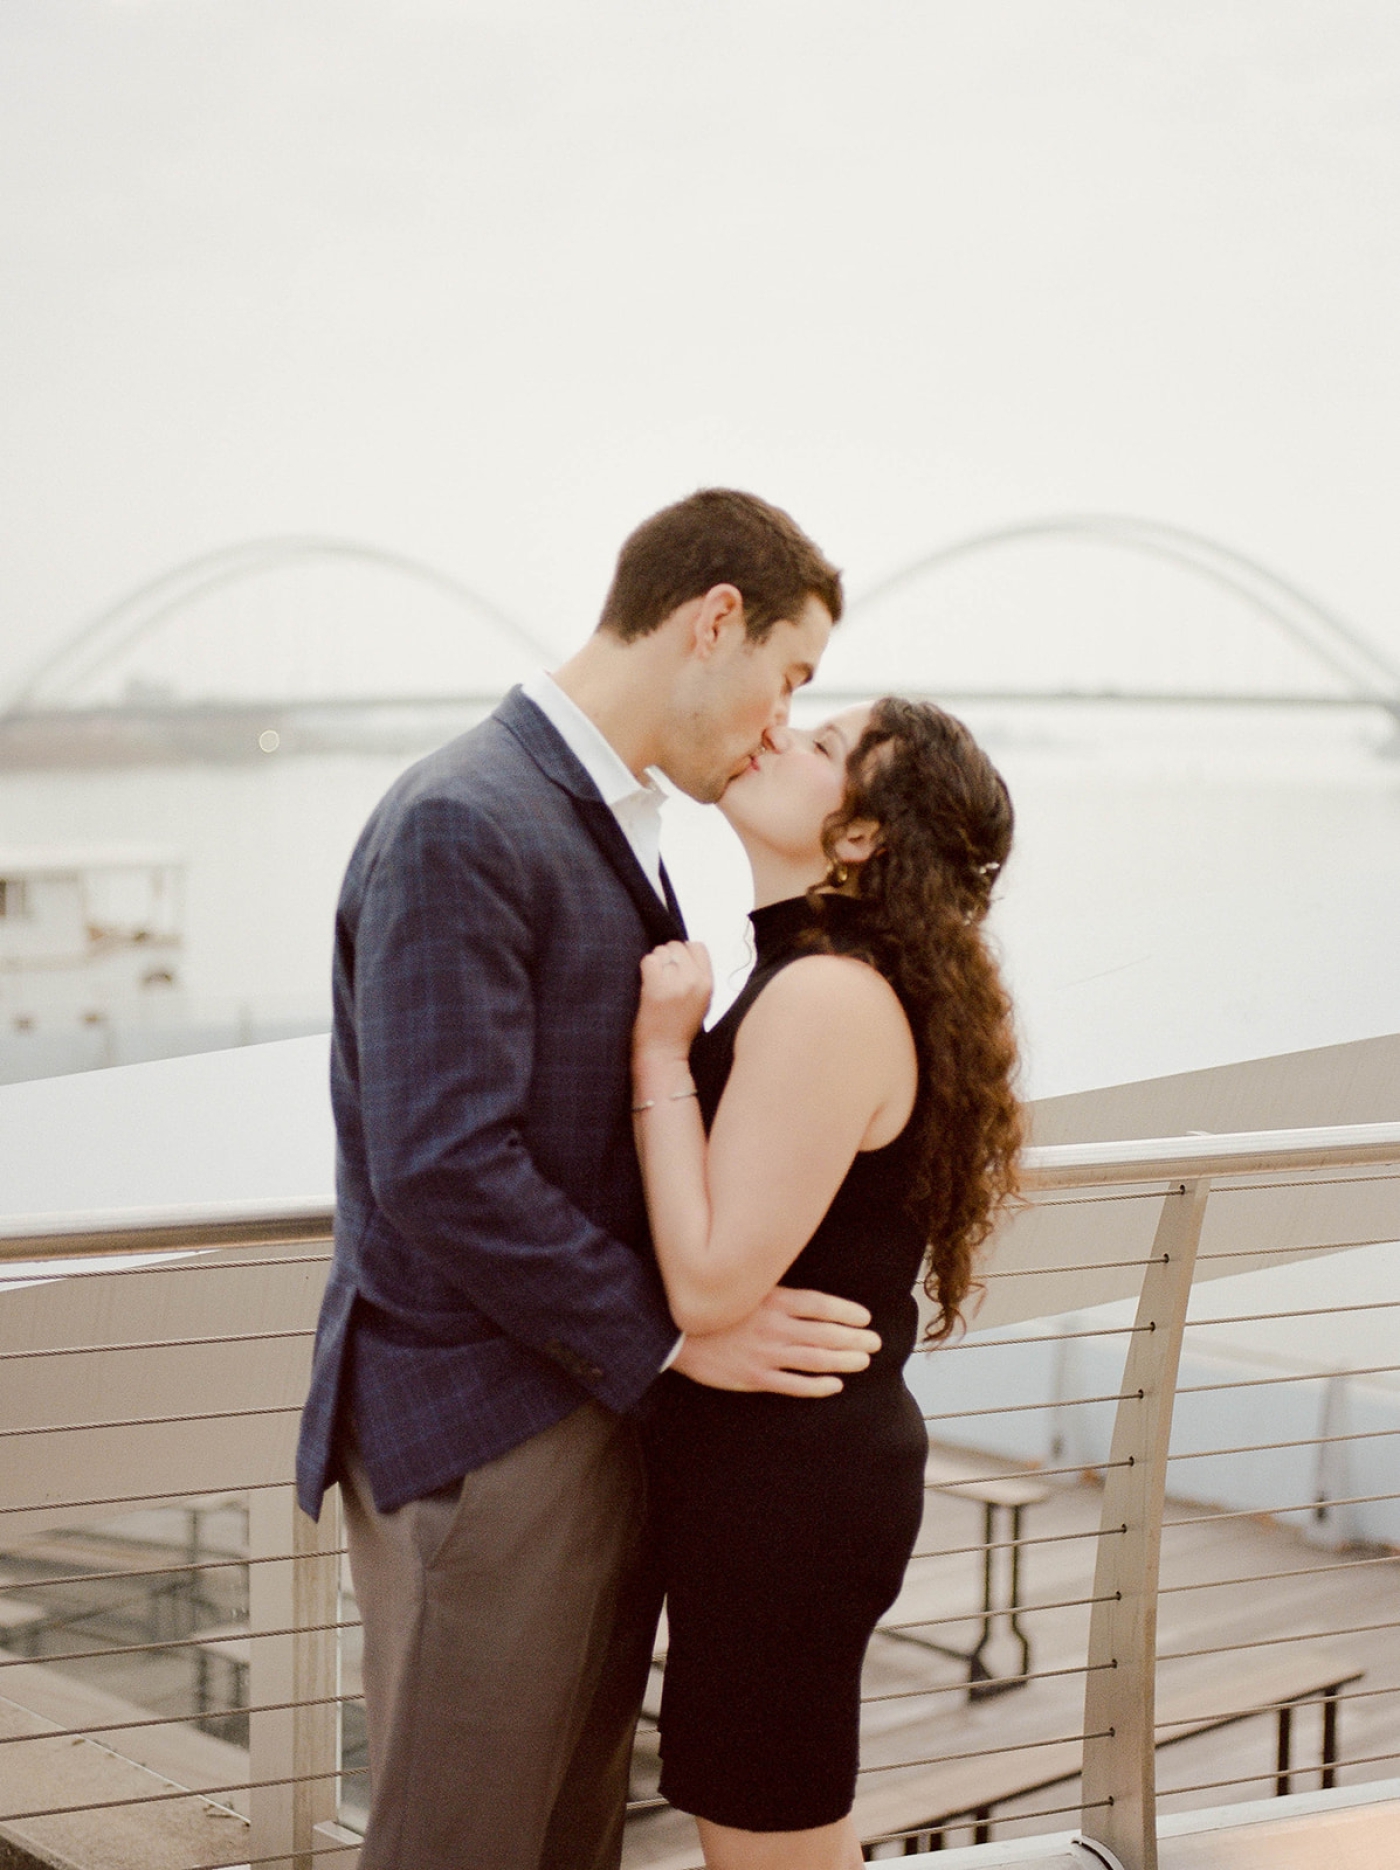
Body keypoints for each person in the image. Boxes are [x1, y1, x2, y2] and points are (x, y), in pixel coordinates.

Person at [295, 489, 885, 1870]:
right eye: (789, 678)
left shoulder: (609, 818)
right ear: (714, 619)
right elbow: (441, 1166)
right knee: (463, 1843)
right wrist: (687, 1331)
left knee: (564, 1844)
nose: (777, 724)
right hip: (485, 1443)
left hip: (582, 1413)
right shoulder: (464, 815)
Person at [630, 697, 1023, 1870]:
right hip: (780, 1474)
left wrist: (658, 1052)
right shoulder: (813, 974)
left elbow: (705, 1280)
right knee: (774, 1825)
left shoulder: (823, 997)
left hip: (783, 1492)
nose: (777, 732)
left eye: (820, 745)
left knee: (769, 1842)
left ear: (858, 837)